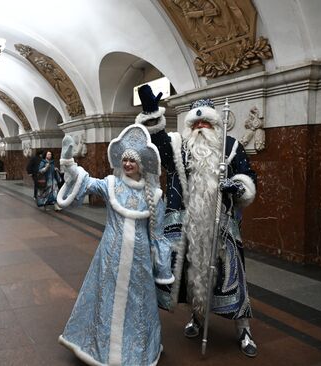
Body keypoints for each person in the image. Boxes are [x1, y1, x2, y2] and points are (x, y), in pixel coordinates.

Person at [135, 84, 258, 357]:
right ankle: (198, 317)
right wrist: (152, 114)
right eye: (197, 122)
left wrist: (236, 187)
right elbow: (160, 148)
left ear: (215, 123)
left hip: (222, 224)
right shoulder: (180, 146)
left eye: (206, 122)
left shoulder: (231, 145)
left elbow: (248, 175)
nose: (201, 126)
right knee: (192, 276)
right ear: (190, 125)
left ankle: (244, 328)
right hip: (186, 223)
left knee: (232, 277)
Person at [57, 124, 174, 365]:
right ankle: (102, 349)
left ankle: (136, 350)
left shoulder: (155, 194)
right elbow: (86, 182)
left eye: (132, 161)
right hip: (110, 253)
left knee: (137, 303)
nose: (128, 164)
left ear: (141, 164)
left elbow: (159, 234)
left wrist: (163, 270)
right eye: (125, 160)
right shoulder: (111, 184)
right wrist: (68, 162)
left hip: (139, 260)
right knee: (107, 297)